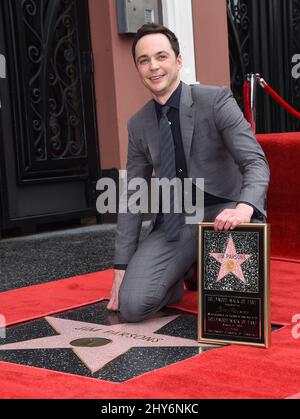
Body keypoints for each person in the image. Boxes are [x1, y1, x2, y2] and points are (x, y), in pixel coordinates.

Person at [107, 23, 269, 322]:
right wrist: (121, 267)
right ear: (137, 68)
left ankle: (198, 263)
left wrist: (244, 209)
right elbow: (132, 197)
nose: (153, 66)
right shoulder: (138, 124)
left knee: (231, 311)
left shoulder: (215, 100)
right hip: (178, 219)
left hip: (226, 211)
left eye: (161, 56)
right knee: (132, 305)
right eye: (144, 60)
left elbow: (255, 162)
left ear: (178, 61)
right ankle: (186, 269)